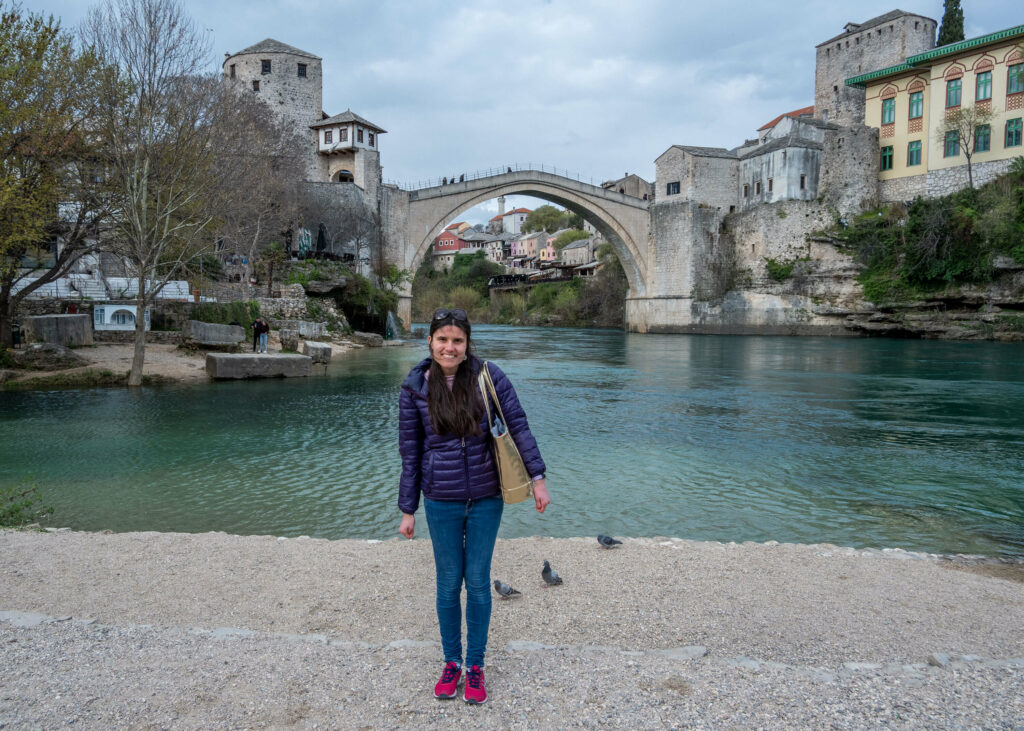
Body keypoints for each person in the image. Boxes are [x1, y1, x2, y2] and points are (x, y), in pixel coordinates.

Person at [398, 308, 549, 705]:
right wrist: (407, 508)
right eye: (442, 339)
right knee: (449, 584)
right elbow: (410, 452)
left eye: (457, 340)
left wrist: (538, 479)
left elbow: (518, 425)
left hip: (486, 497)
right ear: (429, 341)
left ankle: (476, 665)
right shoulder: (415, 386)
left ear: (467, 345)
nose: (450, 347)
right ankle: (452, 662)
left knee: (478, 583)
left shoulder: (489, 377)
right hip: (440, 499)